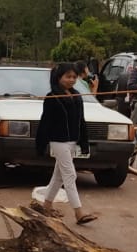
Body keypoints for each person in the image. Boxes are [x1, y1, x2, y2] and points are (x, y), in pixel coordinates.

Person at [34, 62, 97, 224]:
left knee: (59, 176)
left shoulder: (76, 96)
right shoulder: (52, 97)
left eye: (74, 77)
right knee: (70, 175)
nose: (71, 80)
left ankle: (46, 206)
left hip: (72, 141)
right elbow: (45, 122)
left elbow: (81, 121)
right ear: (58, 77)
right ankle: (79, 213)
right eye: (67, 76)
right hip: (58, 141)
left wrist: (84, 142)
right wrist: (40, 144)